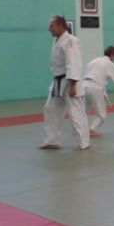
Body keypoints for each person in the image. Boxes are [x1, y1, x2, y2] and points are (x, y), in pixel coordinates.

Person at [39, 15, 89, 150]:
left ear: (60, 26)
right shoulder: (57, 40)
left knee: (76, 113)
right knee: (51, 109)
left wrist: (73, 85)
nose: (49, 29)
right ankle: (52, 140)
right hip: (58, 81)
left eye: (51, 26)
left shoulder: (71, 41)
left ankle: (83, 143)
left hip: (70, 81)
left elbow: (74, 63)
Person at [83, 46, 114, 137]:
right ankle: (91, 130)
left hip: (84, 85)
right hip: (95, 87)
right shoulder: (109, 64)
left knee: (84, 111)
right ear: (112, 55)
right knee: (101, 114)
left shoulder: (95, 60)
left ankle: (79, 129)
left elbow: (87, 68)